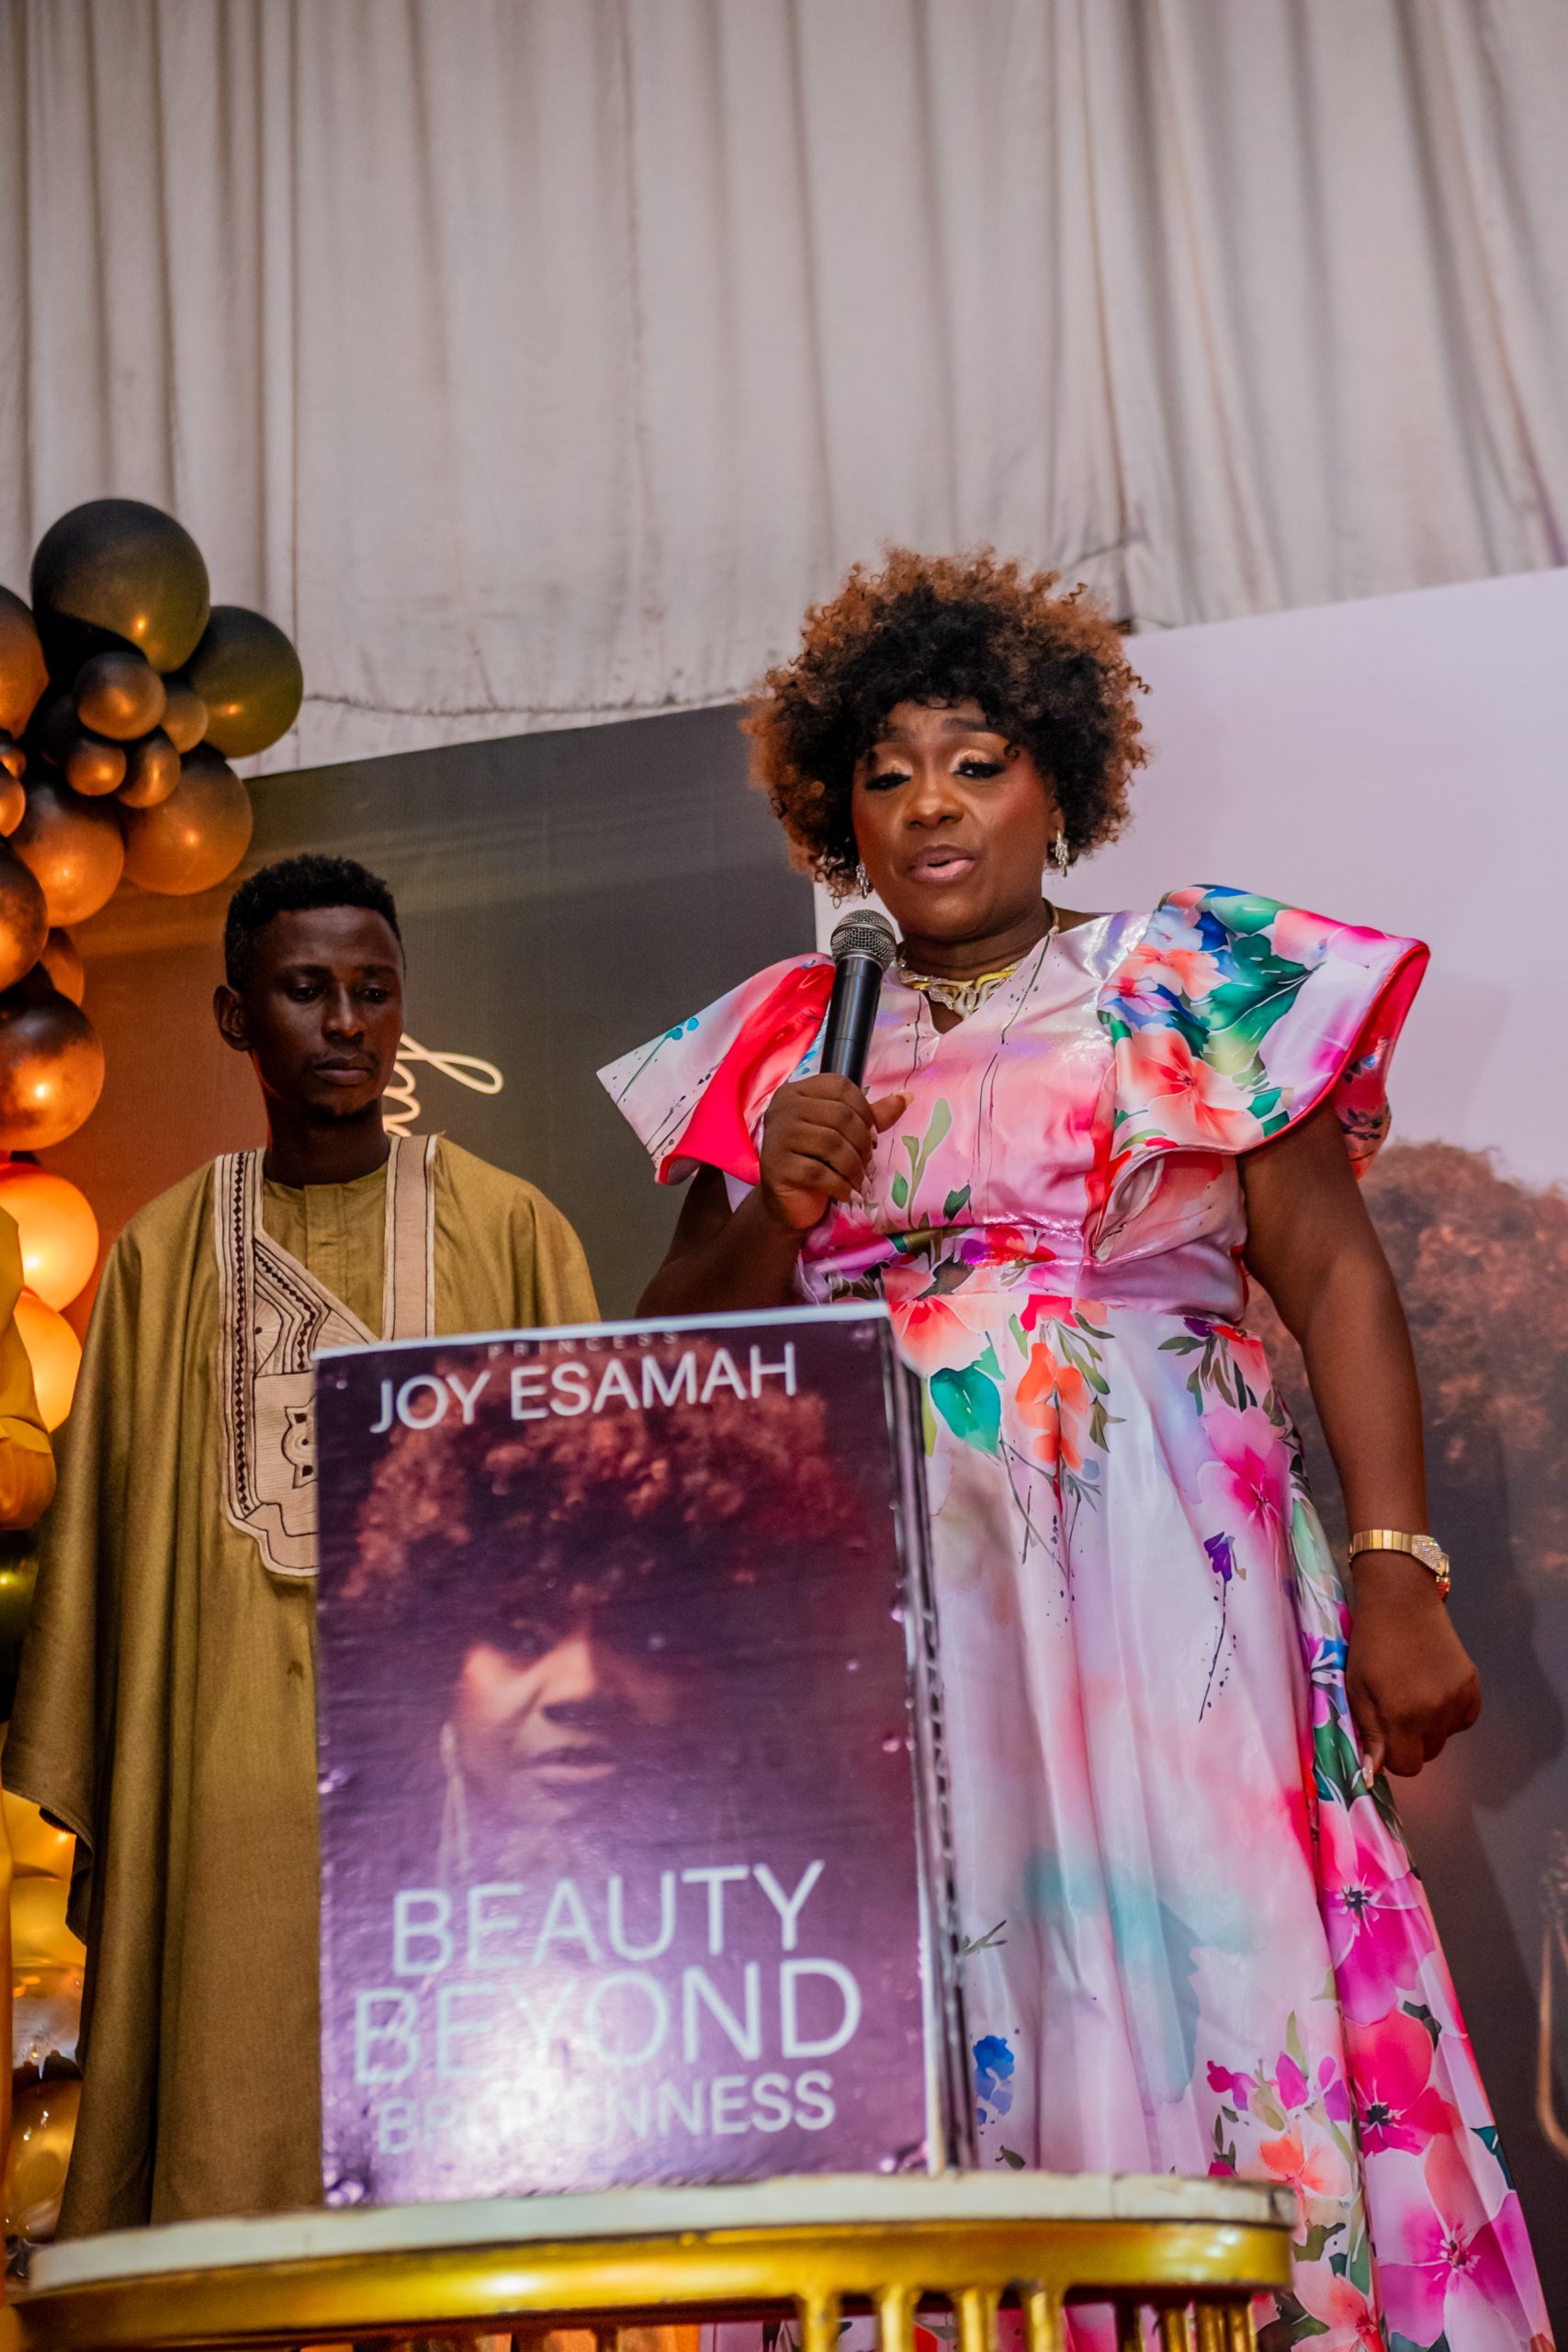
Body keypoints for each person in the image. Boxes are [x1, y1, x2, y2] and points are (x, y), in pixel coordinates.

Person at [601, 552, 1551, 2346]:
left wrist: (1395, 1564)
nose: (930, 806)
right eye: (886, 774)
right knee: (939, 1966)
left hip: (1164, 1581)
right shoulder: (787, 1034)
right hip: (881, 1612)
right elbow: (676, 1341)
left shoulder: (1182, 978)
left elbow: (1333, 1276)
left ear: (1059, 783)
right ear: (834, 815)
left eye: (976, 762)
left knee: (1203, 1936)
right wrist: (775, 1201)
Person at [5, 853, 598, 2233]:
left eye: (374, 992)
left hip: (457, 1775)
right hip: (225, 1771)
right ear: (235, 1017)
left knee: (467, 2132)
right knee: (233, 2090)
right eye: (306, 991)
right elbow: (105, 1584)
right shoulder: (161, 1258)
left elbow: (583, 1534)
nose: (345, 1023)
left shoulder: (510, 1229)